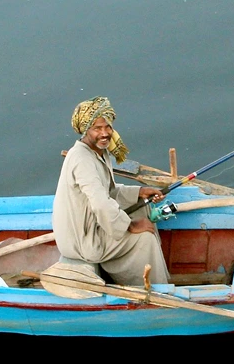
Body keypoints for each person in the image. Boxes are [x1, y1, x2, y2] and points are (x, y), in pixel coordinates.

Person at [52, 97, 170, 286]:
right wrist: (130, 226)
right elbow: (100, 203)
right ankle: (154, 290)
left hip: (90, 227)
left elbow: (108, 192)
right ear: (85, 130)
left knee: (142, 208)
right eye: (97, 128)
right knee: (145, 238)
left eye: (107, 127)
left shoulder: (99, 152)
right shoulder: (82, 160)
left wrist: (140, 191)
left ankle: (152, 278)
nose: (105, 133)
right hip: (83, 241)